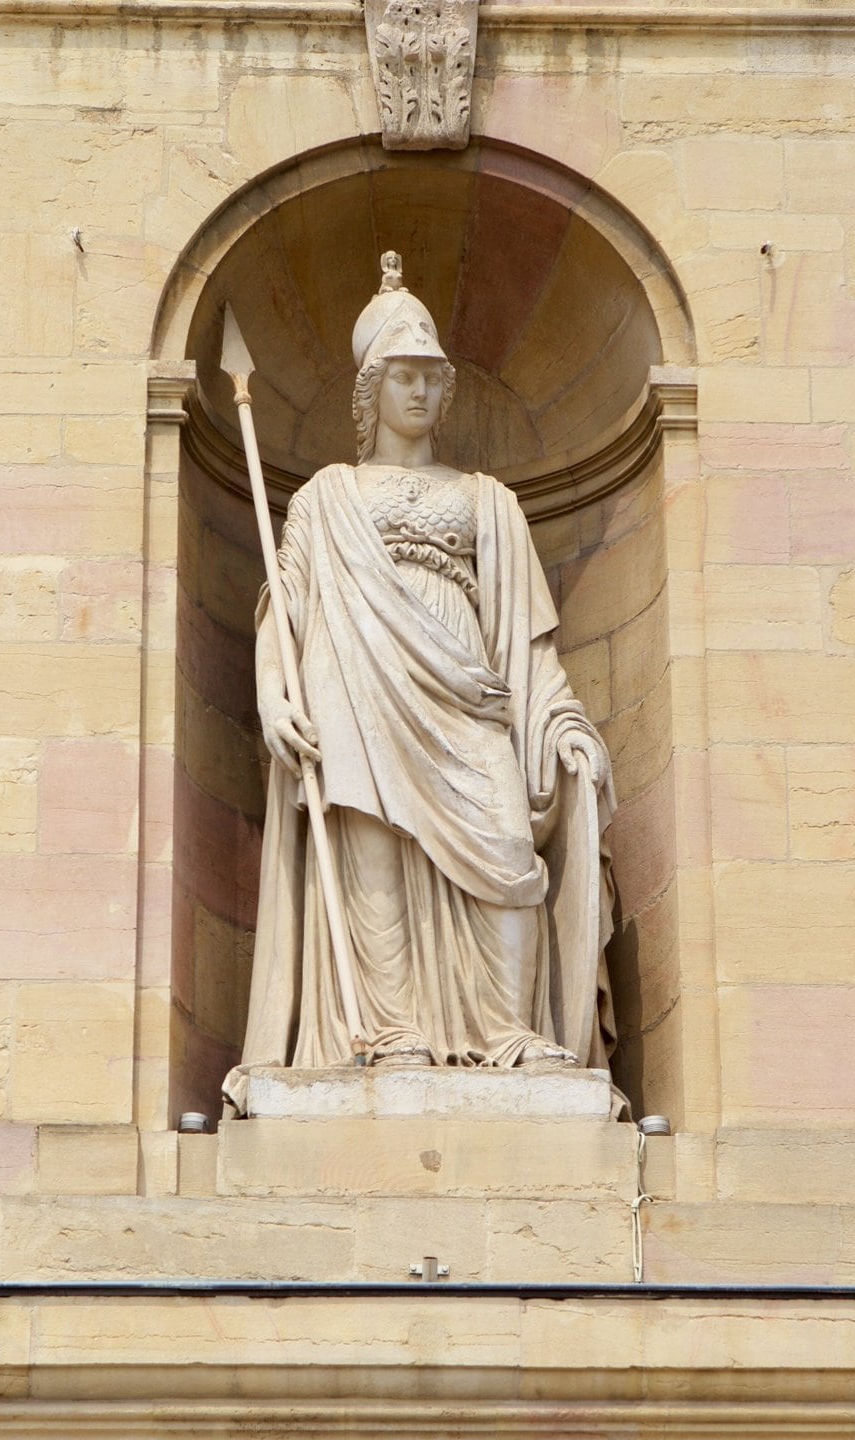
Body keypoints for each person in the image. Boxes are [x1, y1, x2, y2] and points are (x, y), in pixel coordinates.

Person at [226, 252, 616, 1110]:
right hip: (355, 681)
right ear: (372, 393)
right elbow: (281, 609)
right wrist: (271, 695)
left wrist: (561, 728)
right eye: (401, 376)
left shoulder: (489, 500)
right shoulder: (328, 496)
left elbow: (528, 641)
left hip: (465, 691)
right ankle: (389, 1027)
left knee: (509, 848)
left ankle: (510, 1030)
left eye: (430, 378)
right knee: (372, 848)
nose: (418, 392)